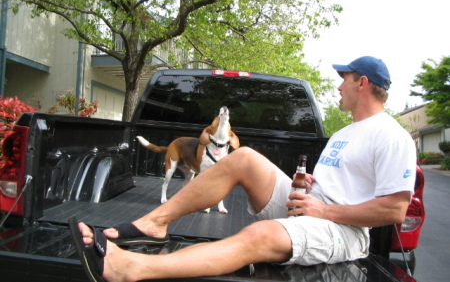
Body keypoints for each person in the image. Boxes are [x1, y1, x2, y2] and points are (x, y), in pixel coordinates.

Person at [70, 56, 417, 282]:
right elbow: (348, 183)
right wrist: (314, 186)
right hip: (311, 209)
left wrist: (325, 209)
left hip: (345, 232)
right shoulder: (345, 132)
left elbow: (394, 208)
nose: (339, 84)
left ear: (363, 83)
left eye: (346, 78)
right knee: (243, 156)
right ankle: (154, 224)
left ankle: (129, 269)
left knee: (258, 237)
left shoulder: (391, 136)